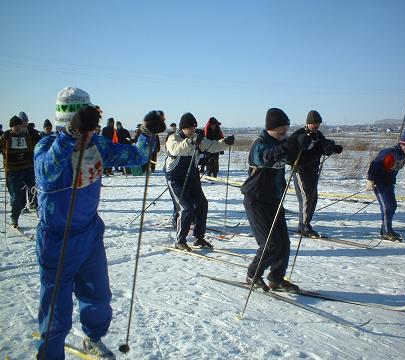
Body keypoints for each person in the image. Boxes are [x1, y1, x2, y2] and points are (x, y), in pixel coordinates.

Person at [34, 86, 165, 359]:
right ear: (67, 123)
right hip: (56, 240)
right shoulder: (47, 146)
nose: (89, 133)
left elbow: (137, 156)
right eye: (84, 126)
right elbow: (46, 173)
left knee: (98, 299)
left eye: (90, 126)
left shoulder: (98, 145)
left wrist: (147, 133)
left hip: (90, 234)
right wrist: (69, 136)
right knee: (56, 313)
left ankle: (92, 339)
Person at [241, 108, 311, 292]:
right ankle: (252, 274)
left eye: (286, 128)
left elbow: (295, 158)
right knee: (271, 243)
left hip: (274, 200)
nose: (283, 132)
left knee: (284, 243)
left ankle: (276, 278)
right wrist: (289, 146)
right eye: (280, 128)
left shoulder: (284, 141)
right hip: (255, 200)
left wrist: (309, 147)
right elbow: (267, 157)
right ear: (271, 127)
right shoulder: (260, 143)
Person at [165, 112, 234, 251]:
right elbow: (175, 149)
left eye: (193, 128)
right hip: (176, 180)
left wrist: (225, 142)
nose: (191, 130)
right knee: (186, 207)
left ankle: (199, 238)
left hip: (192, 178)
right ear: (182, 128)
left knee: (202, 204)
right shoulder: (174, 137)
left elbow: (212, 145)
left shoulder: (196, 137)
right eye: (189, 128)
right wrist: (191, 142)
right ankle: (180, 240)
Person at [287, 110, 343, 238]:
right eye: (314, 124)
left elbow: (323, 148)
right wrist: (299, 146)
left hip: (313, 171)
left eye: (318, 124)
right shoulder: (300, 134)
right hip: (301, 171)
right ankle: (304, 226)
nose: (316, 126)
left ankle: (304, 224)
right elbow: (289, 150)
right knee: (308, 198)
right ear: (308, 123)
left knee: (311, 199)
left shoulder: (318, 135)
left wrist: (333, 148)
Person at [366, 129, 405, 241]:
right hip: (379, 183)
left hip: (389, 183)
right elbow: (374, 164)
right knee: (387, 207)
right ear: (403, 144)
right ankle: (386, 231)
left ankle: (387, 229)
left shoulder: (402, 155)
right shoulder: (389, 152)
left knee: (392, 206)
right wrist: (370, 180)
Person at [0, 115, 37, 228]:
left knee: (35, 190)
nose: (18, 129)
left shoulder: (26, 136)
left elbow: (31, 150)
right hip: (13, 170)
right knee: (17, 198)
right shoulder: (6, 137)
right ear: (11, 127)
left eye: (19, 126)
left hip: (27, 167)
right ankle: (14, 217)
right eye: (15, 127)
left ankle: (37, 209)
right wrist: (2, 138)